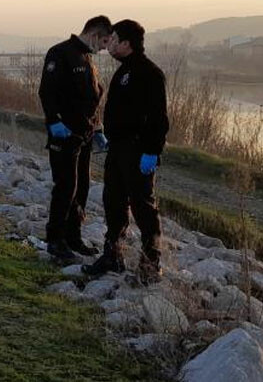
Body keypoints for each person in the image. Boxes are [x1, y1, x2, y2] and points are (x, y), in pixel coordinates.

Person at [83, 19, 170, 285]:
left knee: (143, 207)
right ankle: (113, 254)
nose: (108, 44)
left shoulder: (149, 73)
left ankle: (150, 263)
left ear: (127, 44)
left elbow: (159, 118)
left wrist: (152, 152)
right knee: (114, 202)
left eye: (114, 39)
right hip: (118, 148)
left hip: (138, 150)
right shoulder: (123, 72)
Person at [38, 15, 113, 263]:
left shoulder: (87, 60)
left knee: (81, 189)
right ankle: (55, 241)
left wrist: (98, 128)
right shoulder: (60, 53)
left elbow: (92, 99)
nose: (103, 49)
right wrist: (53, 121)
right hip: (64, 134)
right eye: (102, 43)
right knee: (65, 187)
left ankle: (73, 237)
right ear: (93, 34)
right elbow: (46, 91)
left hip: (84, 136)